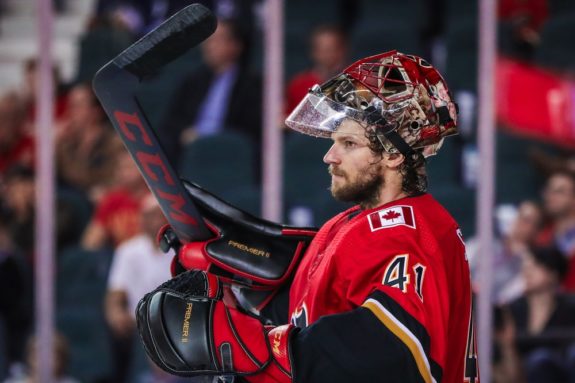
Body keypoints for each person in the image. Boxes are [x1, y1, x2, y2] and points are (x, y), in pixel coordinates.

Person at [136, 51, 477, 383]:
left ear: (392, 156)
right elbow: (313, 312)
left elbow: (388, 353)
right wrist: (243, 271)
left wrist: (246, 345)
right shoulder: (353, 224)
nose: (330, 156)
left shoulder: (413, 234)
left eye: (349, 144)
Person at [159, 18, 262, 166]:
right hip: (189, 152)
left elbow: (251, 130)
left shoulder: (253, 85)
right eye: (207, 40)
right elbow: (170, 123)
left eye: (217, 40)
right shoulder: (192, 82)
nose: (208, 46)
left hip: (229, 155)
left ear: (236, 45)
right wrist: (184, 134)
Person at [285, 24, 349, 116]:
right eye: (324, 50)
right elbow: (286, 120)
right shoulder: (298, 84)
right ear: (314, 52)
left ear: (343, 50)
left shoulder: (358, 84)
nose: (329, 55)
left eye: (333, 49)